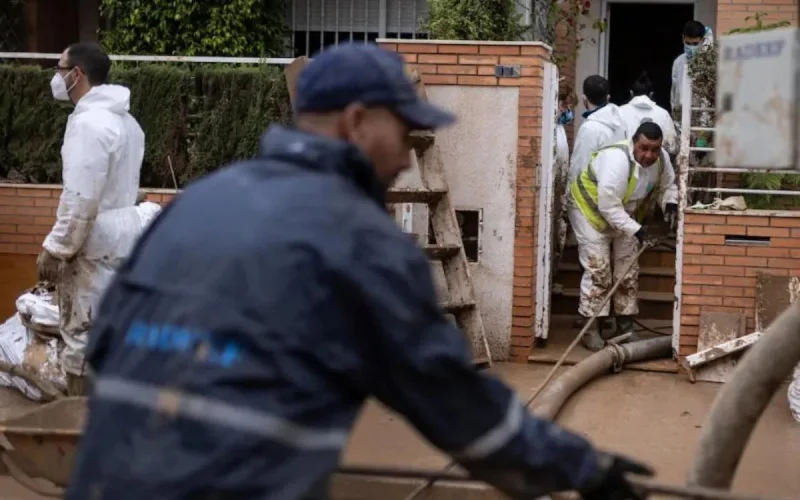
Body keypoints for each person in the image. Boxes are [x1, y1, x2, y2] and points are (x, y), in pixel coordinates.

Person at [65, 43, 653, 500]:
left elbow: (106, 348)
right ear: (356, 121)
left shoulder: (199, 201)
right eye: (401, 129)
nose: (405, 153)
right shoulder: (362, 243)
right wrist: (585, 468)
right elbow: (458, 408)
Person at [36, 42, 145, 396]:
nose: (56, 76)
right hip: (122, 238)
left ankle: (80, 424)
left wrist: (57, 248)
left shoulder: (89, 125)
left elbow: (81, 198)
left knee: (82, 336)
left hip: (94, 244)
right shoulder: (128, 122)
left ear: (76, 74)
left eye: (59, 67)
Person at [568, 122, 678, 352]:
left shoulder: (662, 160)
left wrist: (670, 205)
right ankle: (591, 328)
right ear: (634, 143)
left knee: (628, 270)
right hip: (590, 212)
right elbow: (608, 207)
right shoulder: (616, 161)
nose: (649, 155)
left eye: (654, 149)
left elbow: (668, 185)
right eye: (644, 148)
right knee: (598, 271)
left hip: (624, 213)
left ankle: (625, 327)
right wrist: (638, 230)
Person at [569, 75, 627, 185]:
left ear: (583, 99)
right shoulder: (621, 122)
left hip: (592, 193)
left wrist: (569, 197)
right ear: (608, 97)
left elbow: (580, 166)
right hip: (617, 187)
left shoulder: (590, 128)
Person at [620, 71, 679, 157]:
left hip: (625, 164)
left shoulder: (619, 112)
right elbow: (672, 147)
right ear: (651, 94)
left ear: (631, 93)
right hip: (654, 163)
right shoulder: (663, 114)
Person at [670, 20, 713, 112]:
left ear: (702, 40)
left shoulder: (710, 62)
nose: (691, 47)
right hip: (681, 114)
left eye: (695, 44)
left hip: (703, 114)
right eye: (688, 43)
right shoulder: (678, 62)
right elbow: (674, 92)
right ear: (683, 39)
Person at [554, 84, 575, 269]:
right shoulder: (550, 129)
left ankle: (555, 274)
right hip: (553, 189)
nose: (567, 111)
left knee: (559, 231)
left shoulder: (559, 128)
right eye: (565, 106)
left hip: (560, 188)